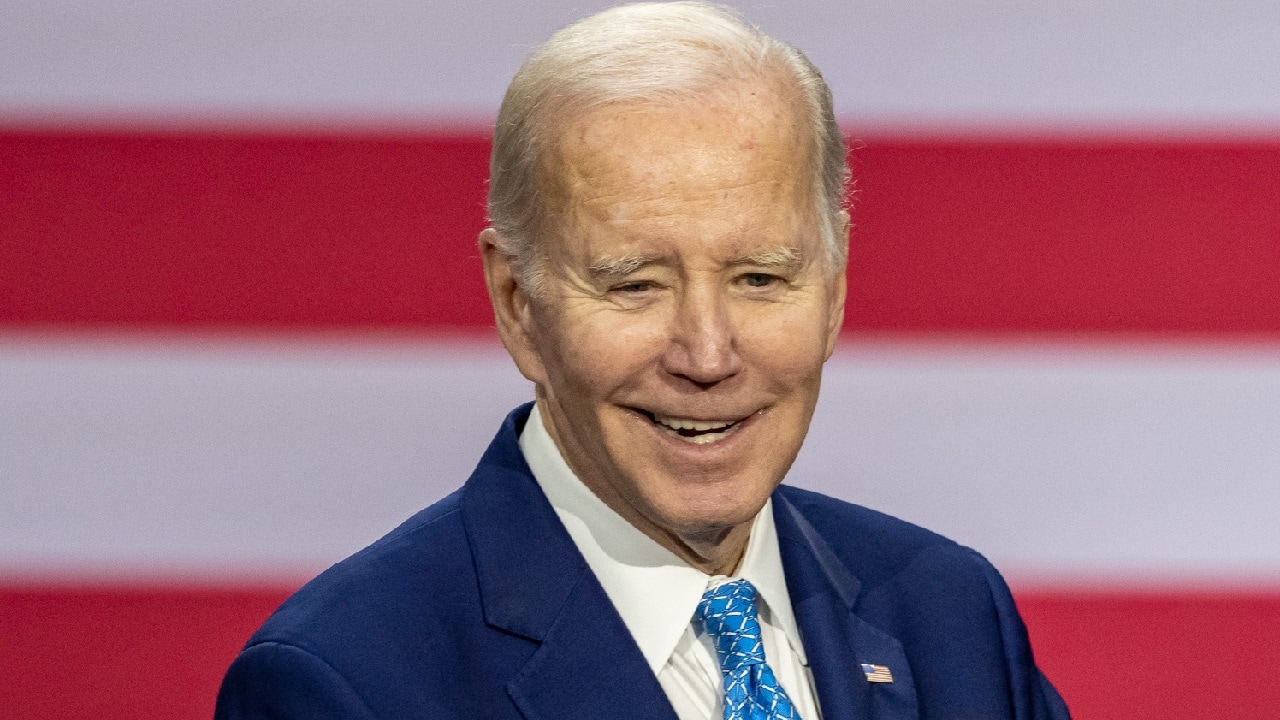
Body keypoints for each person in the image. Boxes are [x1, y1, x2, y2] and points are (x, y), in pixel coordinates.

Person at [216, 2, 1070, 718]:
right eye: (636, 285)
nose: (707, 353)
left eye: (761, 277)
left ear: (836, 286)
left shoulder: (951, 617)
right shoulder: (347, 682)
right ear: (519, 305)